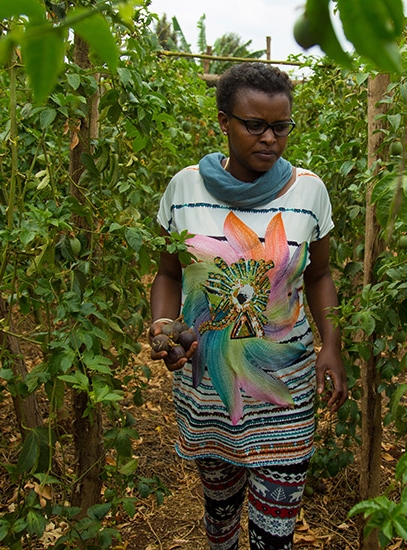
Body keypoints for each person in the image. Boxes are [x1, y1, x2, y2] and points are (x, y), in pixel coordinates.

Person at [148, 62, 348, 549]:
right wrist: (163, 326)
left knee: (275, 529)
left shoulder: (308, 192)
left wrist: (332, 345)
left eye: (281, 127)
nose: (270, 139)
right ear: (223, 121)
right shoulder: (184, 188)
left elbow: (319, 275)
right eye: (254, 125)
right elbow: (169, 273)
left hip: (287, 383)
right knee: (220, 513)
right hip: (209, 385)